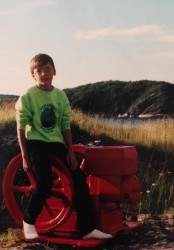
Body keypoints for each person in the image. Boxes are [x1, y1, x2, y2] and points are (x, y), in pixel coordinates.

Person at [15, 53, 112, 241]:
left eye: (48, 69)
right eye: (39, 71)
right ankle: (28, 222)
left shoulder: (60, 96)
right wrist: (25, 156)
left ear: (55, 71)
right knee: (44, 181)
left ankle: (86, 230)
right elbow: (20, 127)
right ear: (33, 75)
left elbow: (65, 125)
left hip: (56, 144)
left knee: (79, 180)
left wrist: (70, 151)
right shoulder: (28, 96)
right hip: (36, 143)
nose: (44, 73)